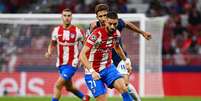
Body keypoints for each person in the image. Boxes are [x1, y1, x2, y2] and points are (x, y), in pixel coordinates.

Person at [89, 4, 152, 101]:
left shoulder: (116, 23)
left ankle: (136, 99)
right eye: (100, 16)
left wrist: (142, 33)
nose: (103, 18)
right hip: (104, 62)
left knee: (125, 85)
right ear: (97, 17)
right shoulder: (94, 27)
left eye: (105, 15)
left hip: (119, 58)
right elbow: (88, 43)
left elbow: (128, 24)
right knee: (122, 87)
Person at [79, 11, 133, 101]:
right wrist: (92, 71)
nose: (112, 26)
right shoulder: (96, 34)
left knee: (124, 89)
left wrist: (126, 61)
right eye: (110, 24)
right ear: (106, 22)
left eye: (114, 24)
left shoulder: (115, 33)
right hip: (93, 72)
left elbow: (117, 47)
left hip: (108, 68)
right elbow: (82, 55)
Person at [45, 8, 90, 101]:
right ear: (62, 17)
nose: (67, 18)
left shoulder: (78, 31)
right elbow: (52, 43)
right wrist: (49, 52)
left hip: (72, 63)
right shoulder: (56, 30)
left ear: (71, 17)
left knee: (58, 85)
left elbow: (86, 46)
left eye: (69, 16)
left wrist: (84, 59)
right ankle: (84, 97)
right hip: (61, 64)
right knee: (69, 87)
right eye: (65, 15)